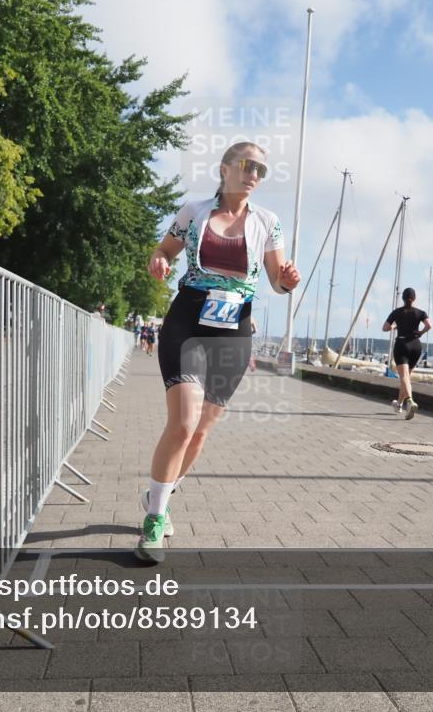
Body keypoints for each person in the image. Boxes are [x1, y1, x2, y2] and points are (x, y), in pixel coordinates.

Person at [136, 141, 301, 561]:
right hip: (188, 321)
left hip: (233, 329)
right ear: (225, 168)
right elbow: (164, 250)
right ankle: (154, 520)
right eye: (247, 165)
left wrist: (287, 281)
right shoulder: (193, 212)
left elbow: (276, 282)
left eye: (261, 170)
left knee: (201, 432)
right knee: (183, 423)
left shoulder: (268, 222)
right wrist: (158, 260)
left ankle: (161, 494)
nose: (254, 174)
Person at [382, 287, 431, 420]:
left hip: (402, 345)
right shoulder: (421, 313)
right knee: (406, 378)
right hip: (416, 346)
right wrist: (421, 333)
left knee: (403, 377)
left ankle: (410, 401)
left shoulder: (396, 312)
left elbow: (385, 328)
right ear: (414, 298)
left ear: (403, 298)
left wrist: (394, 326)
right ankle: (399, 404)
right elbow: (429, 325)